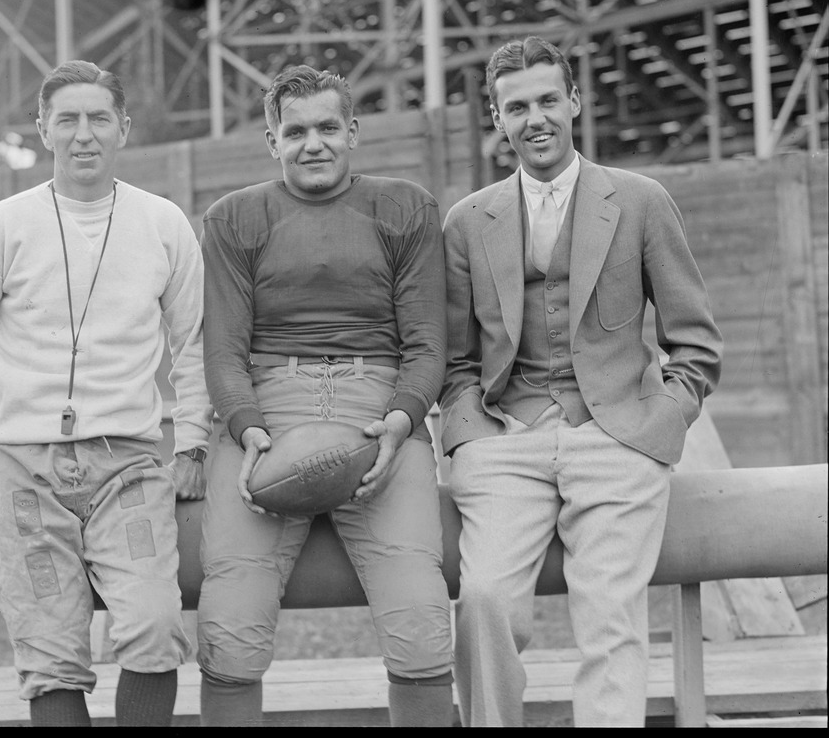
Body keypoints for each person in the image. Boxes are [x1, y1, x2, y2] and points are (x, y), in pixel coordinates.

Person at [0, 60, 214, 727]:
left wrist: (192, 441)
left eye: (99, 118)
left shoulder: (163, 224)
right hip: (22, 471)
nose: (84, 135)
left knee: (156, 625)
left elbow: (193, 343)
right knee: (50, 651)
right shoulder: (0, 225)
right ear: (43, 128)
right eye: (68, 119)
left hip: (127, 466)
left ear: (123, 129)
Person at [440, 36, 723, 727]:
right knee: (483, 601)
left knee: (609, 614)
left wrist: (660, 418)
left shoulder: (639, 200)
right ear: (496, 117)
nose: (533, 119)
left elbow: (695, 340)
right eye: (515, 107)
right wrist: (470, 435)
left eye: (545, 100)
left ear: (572, 101)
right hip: (506, 438)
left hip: (618, 436)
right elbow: (453, 361)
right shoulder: (466, 221)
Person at [196, 64, 454, 727]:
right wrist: (247, 429)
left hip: (377, 406)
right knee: (228, 629)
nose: (313, 144)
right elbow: (223, 347)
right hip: (270, 407)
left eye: (328, 128)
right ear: (271, 140)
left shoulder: (405, 206)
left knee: (422, 625)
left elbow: (426, 340)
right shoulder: (233, 218)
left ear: (353, 132)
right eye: (296, 131)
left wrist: (400, 422)